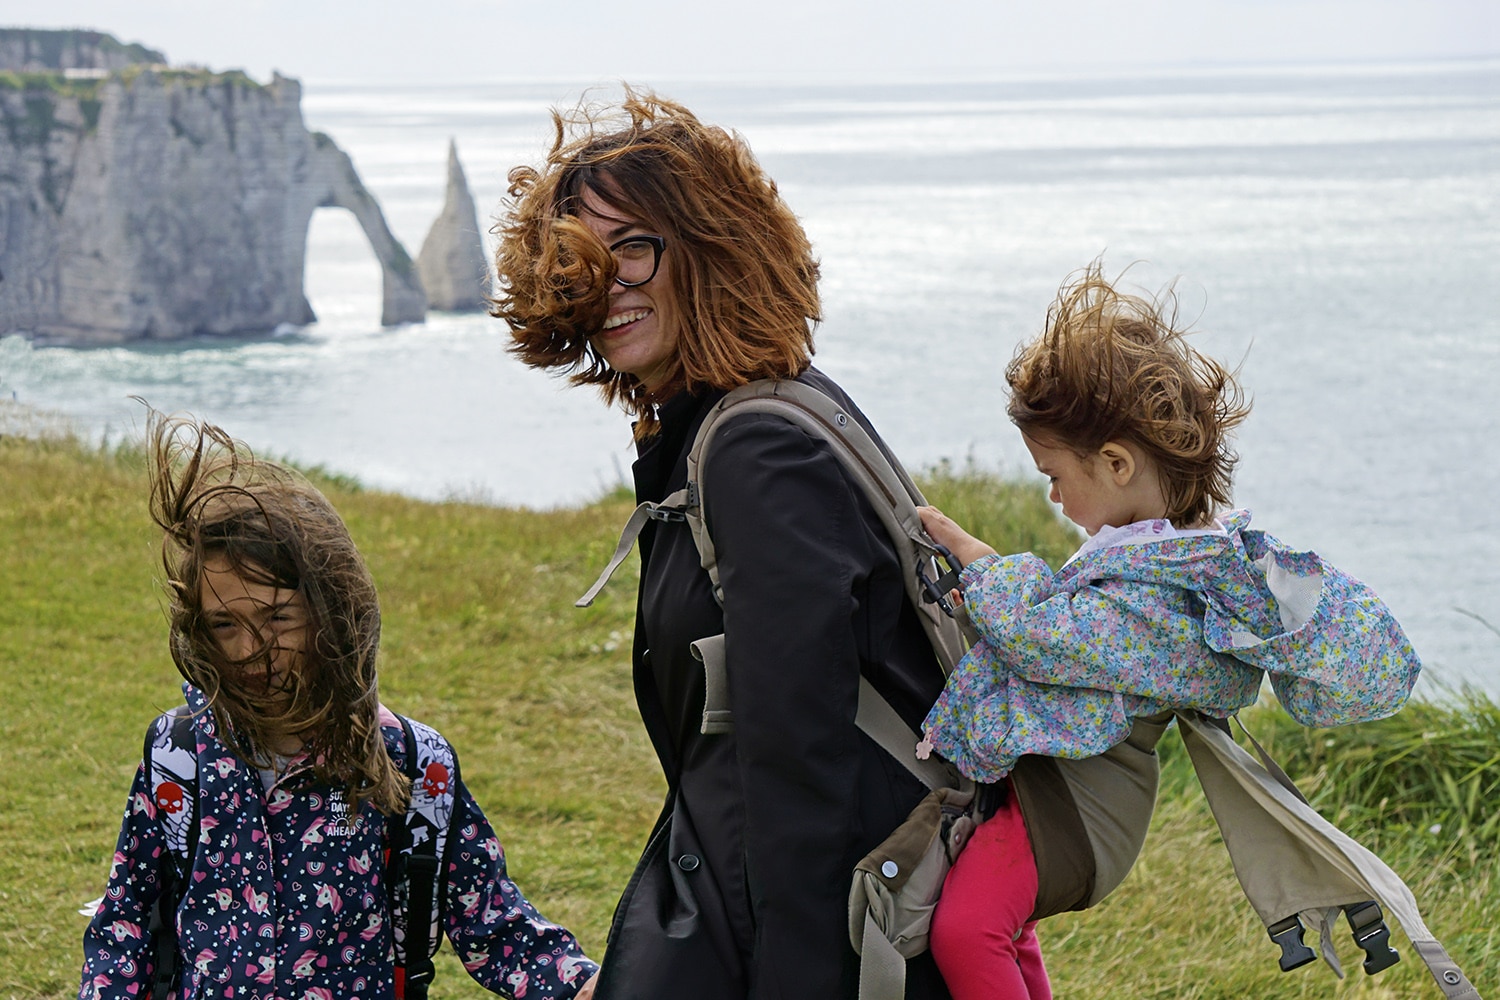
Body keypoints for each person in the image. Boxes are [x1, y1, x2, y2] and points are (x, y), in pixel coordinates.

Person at [491, 90, 952, 999]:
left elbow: (797, 758)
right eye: (585, 260)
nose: (609, 284)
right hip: (748, 904)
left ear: (711, 248)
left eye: (634, 247)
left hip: (808, 933)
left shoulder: (754, 447)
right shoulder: (757, 416)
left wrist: (795, 979)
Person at [915, 264, 1421, 1000]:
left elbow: (1052, 635)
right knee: (1006, 927)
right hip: (1066, 792)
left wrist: (981, 562)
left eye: (1054, 475)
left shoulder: (1169, 591)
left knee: (967, 930)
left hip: (1080, 811)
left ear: (1116, 463)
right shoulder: (1157, 557)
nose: (1051, 495)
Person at [79, 414, 600, 1000]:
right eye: (225, 624)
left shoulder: (411, 763)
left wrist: (584, 986)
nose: (251, 650)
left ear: (333, 610)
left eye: (278, 616)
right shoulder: (178, 757)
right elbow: (124, 928)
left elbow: (495, 926)